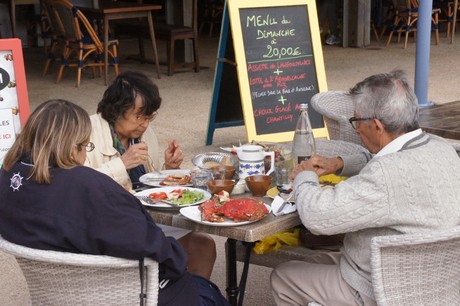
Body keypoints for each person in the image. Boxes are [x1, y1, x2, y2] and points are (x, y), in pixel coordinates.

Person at [0, 99, 229, 306]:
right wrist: (176, 256)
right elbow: (147, 243)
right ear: (72, 146)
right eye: (85, 146)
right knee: (207, 292)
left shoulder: (9, 176)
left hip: (55, 293)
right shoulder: (88, 187)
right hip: (125, 295)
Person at [270, 70, 460, 306]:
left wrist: (304, 175)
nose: (356, 129)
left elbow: (317, 217)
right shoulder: (442, 149)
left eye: (357, 121)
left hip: (379, 287)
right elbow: (392, 161)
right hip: (437, 281)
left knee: (283, 277)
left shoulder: (386, 174)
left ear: (378, 125)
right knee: (314, 263)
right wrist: (340, 163)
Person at [85, 71, 216, 280]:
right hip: (108, 226)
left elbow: (148, 185)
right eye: (139, 116)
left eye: (149, 116)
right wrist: (121, 163)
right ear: (116, 110)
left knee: (203, 246)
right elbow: (78, 187)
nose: (145, 124)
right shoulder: (85, 132)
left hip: (142, 219)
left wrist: (169, 169)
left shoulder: (143, 132)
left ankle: (189, 296)